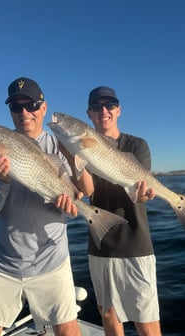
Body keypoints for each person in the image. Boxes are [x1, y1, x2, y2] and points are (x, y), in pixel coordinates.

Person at [0, 77, 82, 336]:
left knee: (68, 329)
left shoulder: (59, 145)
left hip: (51, 259)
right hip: (4, 262)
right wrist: (1, 182)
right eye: (16, 107)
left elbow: (76, 199)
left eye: (31, 105)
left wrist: (70, 206)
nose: (24, 112)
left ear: (43, 108)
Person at [79, 86, 162, 336]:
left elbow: (139, 190)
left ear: (118, 110)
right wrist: (77, 158)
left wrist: (144, 193)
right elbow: (87, 190)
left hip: (135, 244)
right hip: (100, 244)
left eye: (109, 105)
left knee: (147, 323)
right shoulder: (83, 145)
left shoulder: (136, 145)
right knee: (108, 315)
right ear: (89, 113)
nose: (103, 111)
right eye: (96, 107)